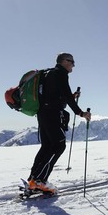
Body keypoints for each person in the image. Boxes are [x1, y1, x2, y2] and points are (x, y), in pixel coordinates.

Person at [27, 53, 91, 193]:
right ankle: (39, 181)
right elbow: (66, 97)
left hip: (43, 114)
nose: (73, 64)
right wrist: (81, 113)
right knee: (58, 145)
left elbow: (55, 95)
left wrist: (72, 96)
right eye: (72, 62)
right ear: (63, 62)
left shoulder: (49, 73)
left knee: (47, 146)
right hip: (52, 114)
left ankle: (33, 179)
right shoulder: (60, 74)